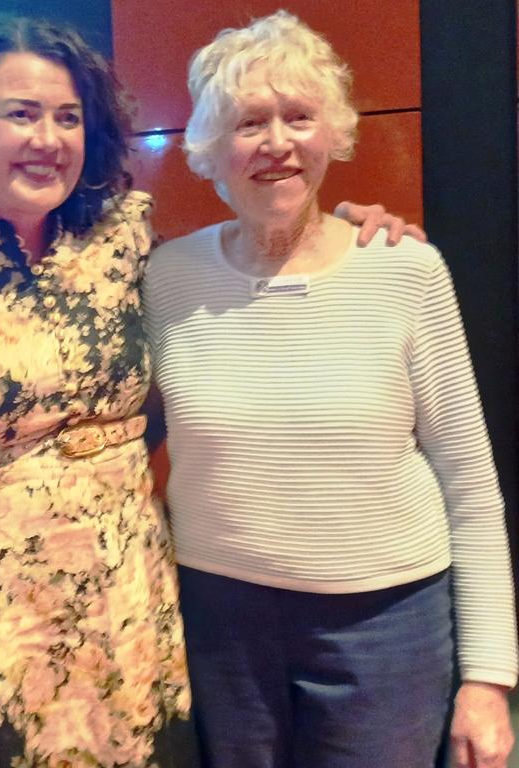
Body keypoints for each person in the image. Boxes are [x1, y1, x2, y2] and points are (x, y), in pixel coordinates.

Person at [0, 15, 416, 768]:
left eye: (68, 117)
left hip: (132, 601)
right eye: (20, 113)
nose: (48, 137)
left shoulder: (124, 244)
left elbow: (244, 276)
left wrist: (346, 228)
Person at [144, 11, 517, 768]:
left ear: (333, 135)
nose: (277, 142)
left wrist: (489, 679)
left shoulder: (405, 270)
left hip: (387, 628)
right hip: (218, 625)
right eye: (249, 122)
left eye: (299, 116)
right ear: (211, 151)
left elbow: (471, 486)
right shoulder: (166, 279)